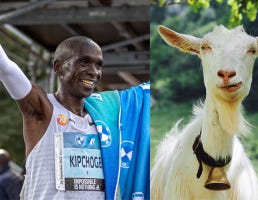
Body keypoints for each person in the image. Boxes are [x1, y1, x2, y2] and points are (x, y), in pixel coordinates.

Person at [0, 36, 150, 200]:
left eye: (98, 65)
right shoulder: (42, 110)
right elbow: (6, 69)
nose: (94, 71)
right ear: (59, 67)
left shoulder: (105, 119)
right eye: (84, 62)